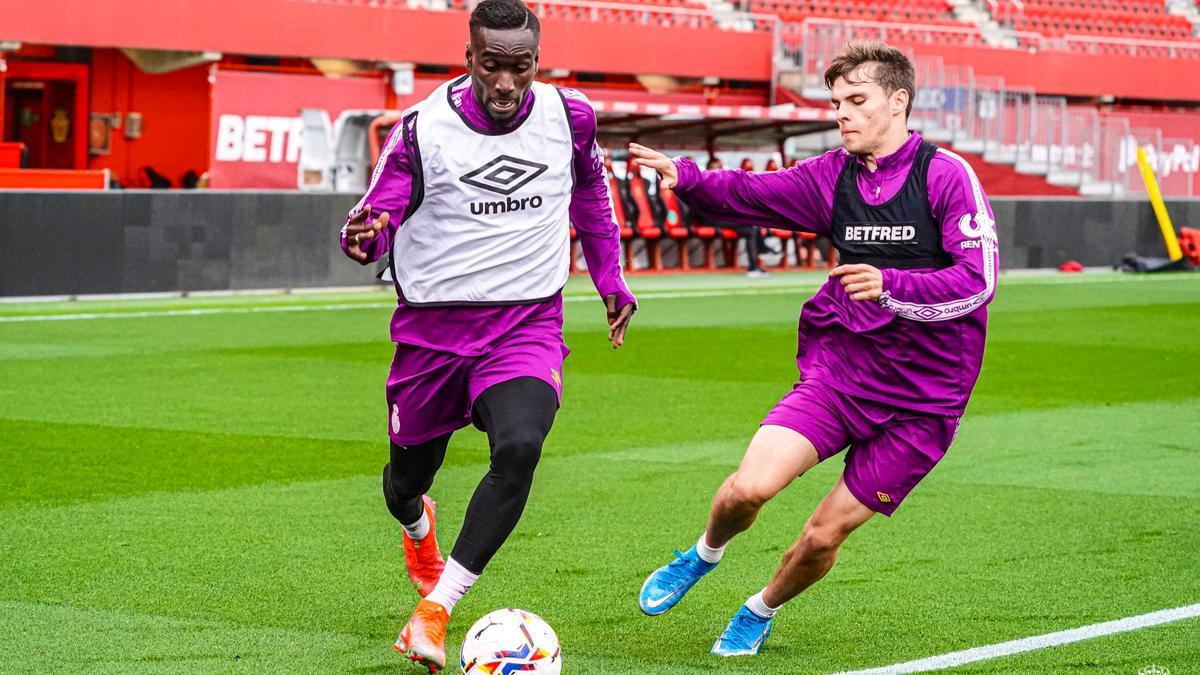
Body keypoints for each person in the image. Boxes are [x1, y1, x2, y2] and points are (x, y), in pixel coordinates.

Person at [629, 39, 998, 657]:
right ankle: (702, 554)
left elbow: (977, 281)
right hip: (842, 375)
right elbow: (755, 195)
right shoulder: (832, 175)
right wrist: (686, 177)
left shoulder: (946, 175)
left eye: (857, 101)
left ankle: (759, 608)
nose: (842, 114)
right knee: (748, 489)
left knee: (823, 536)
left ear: (898, 102)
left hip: (924, 404)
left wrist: (889, 285)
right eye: (836, 103)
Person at [339, 0, 636, 670]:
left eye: (520, 67)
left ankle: (437, 608)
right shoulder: (422, 130)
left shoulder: (569, 117)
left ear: (538, 61)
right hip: (433, 335)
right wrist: (361, 237)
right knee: (404, 480)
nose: (506, 82)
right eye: (492, 66)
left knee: (522, 443)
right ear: (469, 58)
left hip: (526, 322)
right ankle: (419, 527)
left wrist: (611, 280)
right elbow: (374, 220)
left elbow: (591, 192)